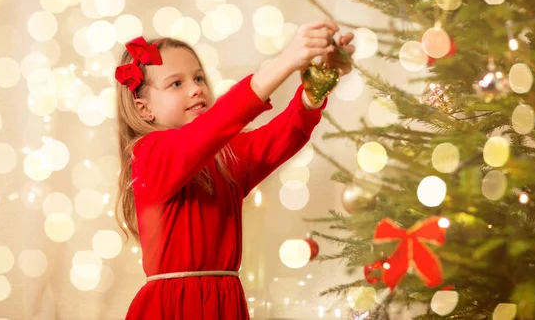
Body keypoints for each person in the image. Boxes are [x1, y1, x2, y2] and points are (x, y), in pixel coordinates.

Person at [114, 20, 355, 320]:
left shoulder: (224, 159)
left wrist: (315, 87)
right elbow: (218, 122)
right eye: (177, 83)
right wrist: (286, 60)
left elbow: (281, 136)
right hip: (174, 309)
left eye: (199, 78)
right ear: (143, 109)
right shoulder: (149, 155)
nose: (196, 90)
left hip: (225, 305)